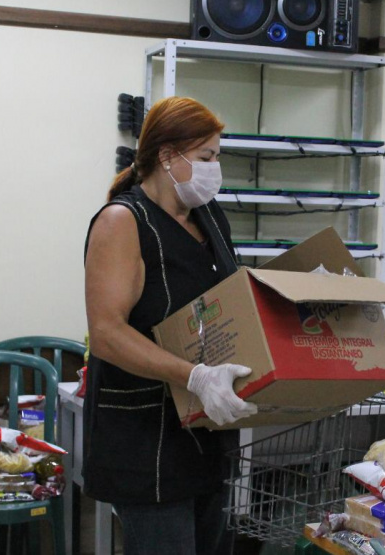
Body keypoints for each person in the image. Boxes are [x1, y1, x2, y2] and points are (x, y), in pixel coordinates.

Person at [83, 96, 257, 554]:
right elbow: (106, 333)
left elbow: (229, 302)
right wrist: (195, 377)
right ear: (166, 156)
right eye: (206, 158)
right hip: (147, 444)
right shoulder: (123, 222)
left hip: (209, 437)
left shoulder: (209, 217)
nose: (214, 169)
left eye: (217, 157)